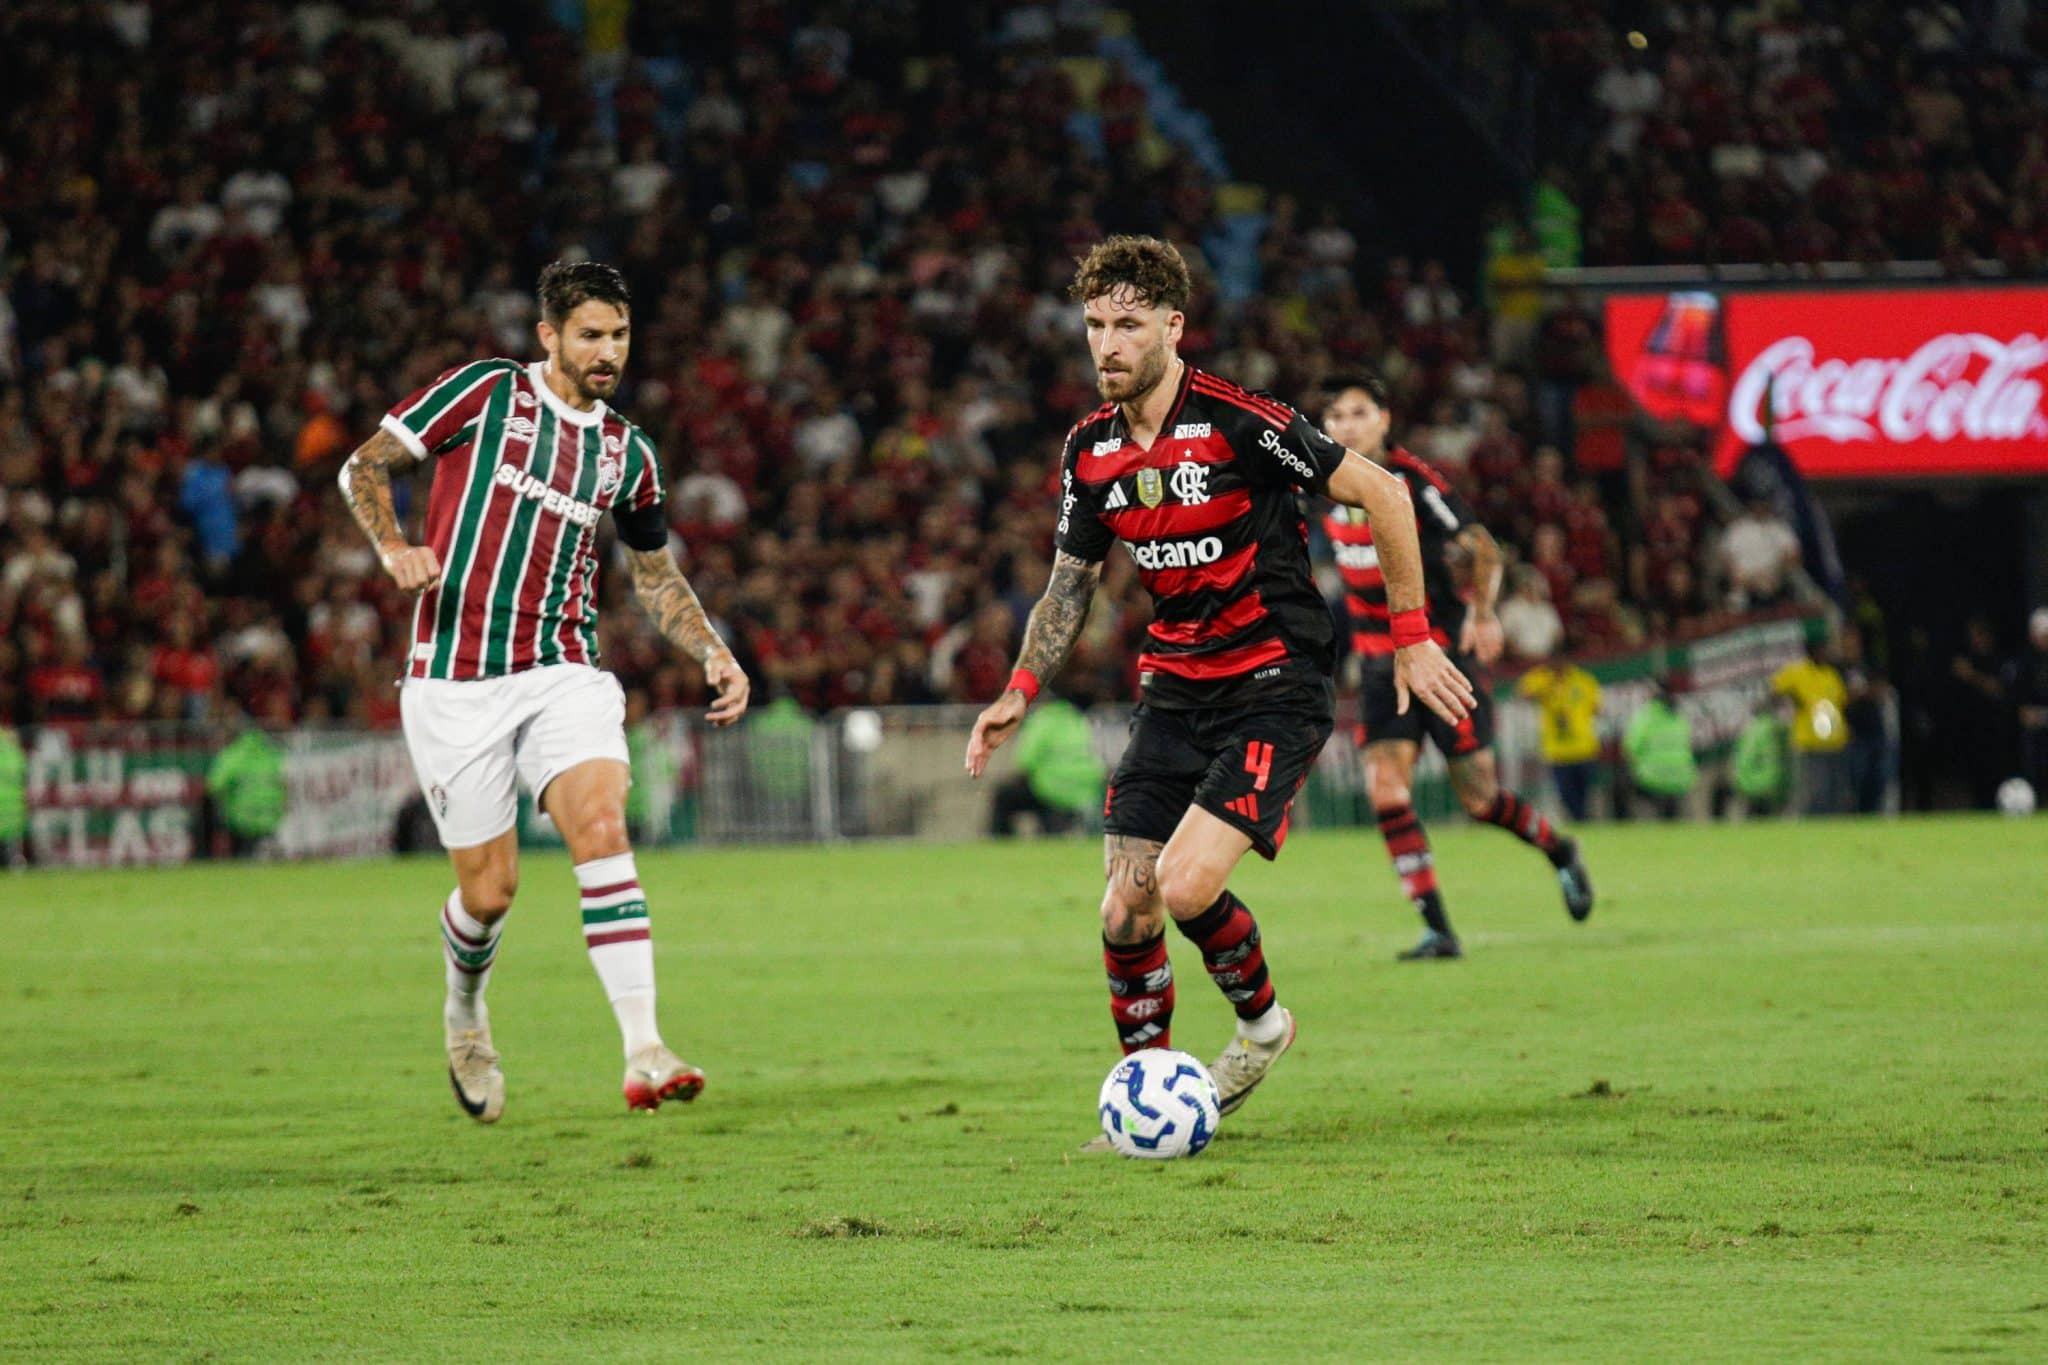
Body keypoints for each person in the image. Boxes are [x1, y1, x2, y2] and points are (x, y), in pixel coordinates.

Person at [963, 237, 1474, 1137]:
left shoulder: (1245, 421)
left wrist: (1412, 639)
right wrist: (1021, 685)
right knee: (1127, 903)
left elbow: (1387, 495)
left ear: (1173, 325)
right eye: (1093, 325)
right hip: (1175, 693)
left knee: (1186, 883)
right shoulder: (1089, 450)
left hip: (1274, 685)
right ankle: (1146, 1092)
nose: (1107, 344)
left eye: (1127, 324)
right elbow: (1072, 581)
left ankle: (1263, 1025)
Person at [338, 261, 751, 1123]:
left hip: (563, 669)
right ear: (550, 336)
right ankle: (464, 1010)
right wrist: (393, 548)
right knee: (489, 893)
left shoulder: (627, 453)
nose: (608, 353)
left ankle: (643, 1047)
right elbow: (365, 467)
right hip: (454, 679)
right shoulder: (486, 394)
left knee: (601, 825)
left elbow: (653, 572)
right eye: (592, 335)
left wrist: (711, 648)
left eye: (621, 336)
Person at [1316, 373, 1594, 962]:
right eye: (1336, 416)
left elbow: (1483, 546)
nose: (1346, 425)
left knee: (1479, 799)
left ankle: (1559, 849)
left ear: (1385, 421)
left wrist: (1485, 615)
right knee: (1386, 791)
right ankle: (1438, 928)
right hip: (1375, 667)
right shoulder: (1322, 485)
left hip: (1440, 659)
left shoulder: (1413, 484)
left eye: (1359, 412)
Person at [988, 691, 1105, 837]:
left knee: (1005, 796)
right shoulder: (1080, 720)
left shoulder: (1043, 719)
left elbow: (1025, 762)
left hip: (1050, 789)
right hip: (1085, 790)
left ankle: (1000, 839)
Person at [1517, 650, 1603, 820]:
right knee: (1566, 794)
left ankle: (1583, 821)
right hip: (1557, 751)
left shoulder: (1583, 681)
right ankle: (1581, 821)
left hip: (1584, 748)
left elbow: (1597, 708)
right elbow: (1524, 691)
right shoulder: (1543, 680)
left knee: (1584, 793)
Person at [1772, 642, 1849, 815]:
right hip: (1809, 742)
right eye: (1821, 650)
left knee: (1834, 790)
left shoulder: (1831, 674)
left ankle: (1831, 826)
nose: (1824, 654)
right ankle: (1809, 823)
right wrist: (1791, 697)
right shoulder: (1797, 672)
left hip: (1835, 741)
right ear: (1811, 652)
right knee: (1813, 790)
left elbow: (1842, 702)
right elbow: (1774, 690)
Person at [205, 721, 287, 857]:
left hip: (242, 819)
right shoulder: (272, 754)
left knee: (242, 860)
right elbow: (284, 783)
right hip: (270, 816)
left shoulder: (232, 755)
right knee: (268, 861)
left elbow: (214, 785)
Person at [1622, 681, 1698, 819]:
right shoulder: (1680, 718)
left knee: (1628, 786)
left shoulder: (1645, 717)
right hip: (1681, 777)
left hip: (1652, 778)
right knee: (1673, 809)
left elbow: (1630, 748)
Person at [1731, 696, 1792, 817]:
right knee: (1772, 816)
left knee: (1756, 816)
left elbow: (1745, 758)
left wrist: (1740, 779)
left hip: (1754, 782)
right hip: (1777, 781)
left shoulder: (1752, 730)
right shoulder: (1780, 729)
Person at [2012, 608, 2048, 799]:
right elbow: (2020, 703)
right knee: (2033, 763)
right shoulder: (2025, 662)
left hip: (2041, 717)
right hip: (2033, 730)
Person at [0, 723, 24, 868]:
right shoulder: (16, 754)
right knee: (11, 842)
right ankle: (15, 861)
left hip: (7, 805)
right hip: (14, 807)